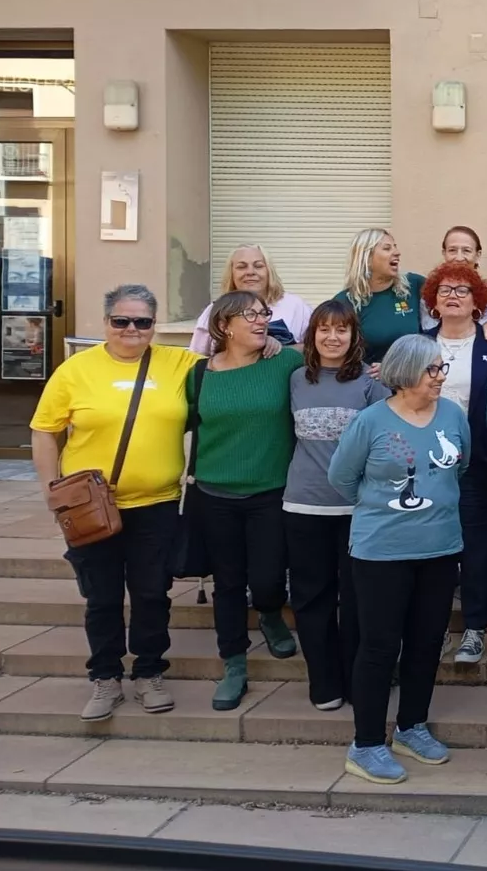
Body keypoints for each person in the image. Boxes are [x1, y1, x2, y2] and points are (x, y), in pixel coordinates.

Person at [29, 284, 201, 722]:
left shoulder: (179, 363)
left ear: (153, 325)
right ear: (106, 323)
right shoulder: (75, 371)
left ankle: (148, 672)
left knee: (151, 593)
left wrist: (274, 340)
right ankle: (105, 677)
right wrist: (52, 490)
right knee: (102, 597)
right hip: (90, 507)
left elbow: (233, 363)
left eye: (142, 322)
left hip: (158, 504)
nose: (131, 329)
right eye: (121, 321)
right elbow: (45, 431)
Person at [328, 335, 471, 785]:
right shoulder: (370, 421)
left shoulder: (451, 414)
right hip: (381, 552)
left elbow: (458, 467)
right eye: (432, 370)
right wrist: (381, 510)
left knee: (428, 642)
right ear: (406, 372)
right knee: (379, 647)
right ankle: (366, 743)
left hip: (441, 547)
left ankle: (411, 727)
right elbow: (341, 478)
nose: (440, 377)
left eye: (441, 368)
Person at [188, 290, 305, 711]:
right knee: (229, 583)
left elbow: (330, 369)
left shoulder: (284, 363)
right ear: (224, 326)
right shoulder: (199, 374)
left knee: (270, 577)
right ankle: (234, 663)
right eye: (249, 315)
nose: (260, 321)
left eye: (263, 313)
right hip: (215, 494)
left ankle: (271, 613)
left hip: (271, 492)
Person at [286, 299, 390, 709]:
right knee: (312, 599)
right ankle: (323, 681)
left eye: (341, 329)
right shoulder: (295, 379)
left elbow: (386, 439)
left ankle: (354, 676)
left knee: (358, 599)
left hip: (357, 511)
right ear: (312, 335)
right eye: (324, 329)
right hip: (303, 506)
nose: (332, 337)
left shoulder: (369, 382)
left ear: (354, 336)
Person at [421, 261, 487, 667]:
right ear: (433, 302)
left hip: (476, 463)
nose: (452, 296)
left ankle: (474, 626)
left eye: (462, 290)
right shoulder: (417, 344)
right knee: (431, 549)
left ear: (477, 301)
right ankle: (431, 628)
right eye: (444, 290)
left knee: (476, 546)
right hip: (422, 464)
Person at [189, 244, 312, 352]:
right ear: (231, 273)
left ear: (269, 271)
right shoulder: (214, 311)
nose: (250, 272)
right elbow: (198, 357)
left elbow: (314, 349)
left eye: (258, 266)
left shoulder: (295, 306)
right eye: (241, 267)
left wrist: (280, 350)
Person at [337, 228, 425, 363]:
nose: (397, 253)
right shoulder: (345, 302)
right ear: (366, 257)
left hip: (413, 379)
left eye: (395, 247)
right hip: (370, 380)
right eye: (387, 248)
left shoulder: (414, 285)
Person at [421, 226, 487, 344]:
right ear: (444, 253)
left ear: (477, 255)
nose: (459, 258)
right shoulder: (431, 294)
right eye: (452, 250)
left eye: (466, 251)